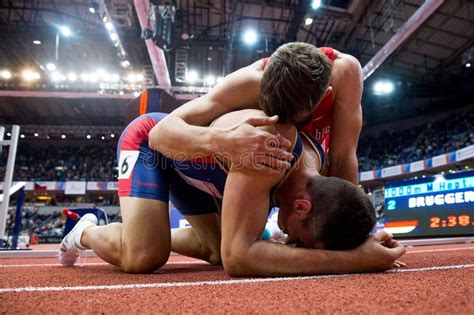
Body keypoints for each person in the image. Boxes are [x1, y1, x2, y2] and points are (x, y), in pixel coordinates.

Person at [59, 109, 405, 276]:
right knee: (143, 258)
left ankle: (154, 234)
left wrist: (364, 237)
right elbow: (242, 260)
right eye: (301, 238)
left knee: (217, 252)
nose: (292, 240)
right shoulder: (269, 156)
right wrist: (355, 261)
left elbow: (344, 203)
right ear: (301, 207)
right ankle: (83, 230)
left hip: (195, 171)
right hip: (153, 144)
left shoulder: (319, 178)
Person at [149, 42, 363, 185]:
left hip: (304, 164)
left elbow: (343, 157)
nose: (290, 126)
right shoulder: (247, 82)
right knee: (270, 134)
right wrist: (224, 141)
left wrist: (352, 227)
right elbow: (160, 133)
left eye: (299, 119)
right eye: (280, 117)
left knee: (214, 252)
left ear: (326, 94)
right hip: (231, 160)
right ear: (264, 84)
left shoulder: (344, 73)